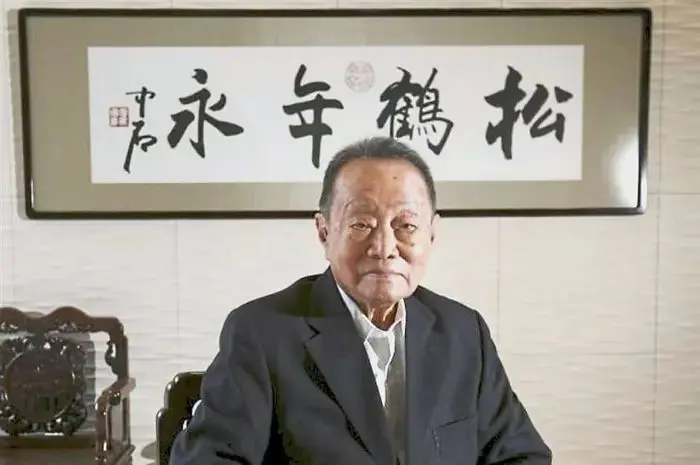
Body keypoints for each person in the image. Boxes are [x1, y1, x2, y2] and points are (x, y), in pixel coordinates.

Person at [169, 136, 552, 465]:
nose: (384, 247)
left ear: (432, 234)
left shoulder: (463, 333)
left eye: (406, 225)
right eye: (361, 224)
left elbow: (521, 456)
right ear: (324, 232)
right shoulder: (262, 333)